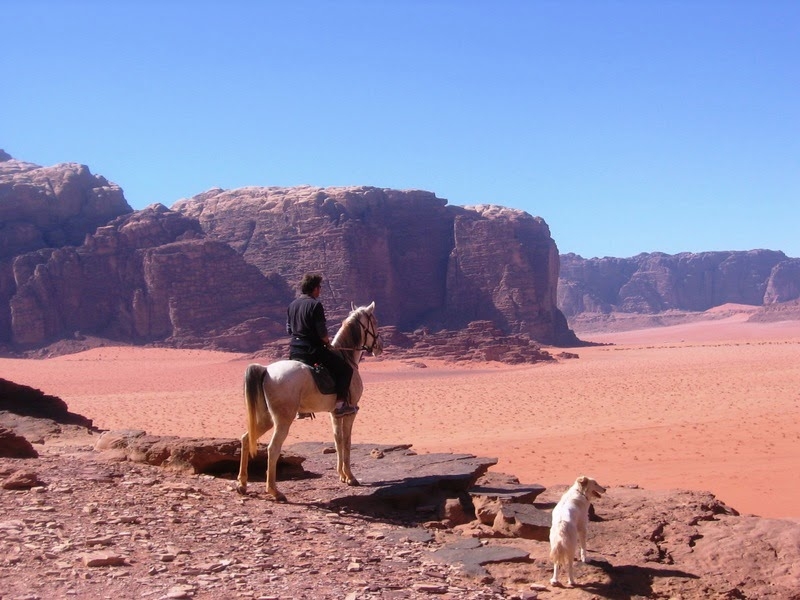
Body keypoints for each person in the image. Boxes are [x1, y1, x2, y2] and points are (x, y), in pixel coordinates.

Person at [286, 273, 355, 417]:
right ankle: (339, 406)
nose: (320, 290)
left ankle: (302, 410)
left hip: (294, 351)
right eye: (319, 287)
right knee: (346, 370)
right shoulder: (315, 305)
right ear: (315, 288)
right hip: (312, 351)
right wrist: (327, 343)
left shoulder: (292, 305)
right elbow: (322, 332)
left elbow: (289, 330)